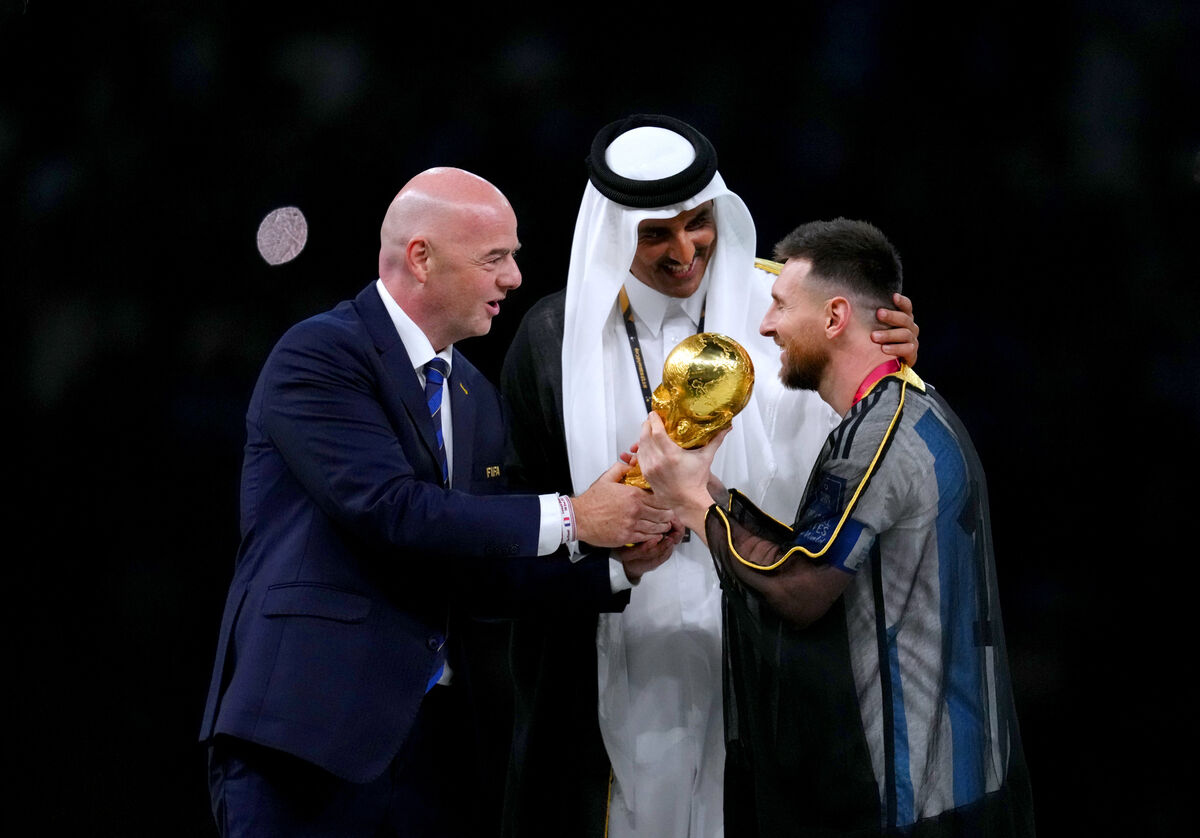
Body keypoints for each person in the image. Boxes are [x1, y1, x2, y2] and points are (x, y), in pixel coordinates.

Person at [198, 167, 675, 838]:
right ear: (421, 258)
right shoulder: (321, 354)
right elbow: (392, 509)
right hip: (305, 736)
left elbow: (478, 566)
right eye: (495, 258)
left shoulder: (473, 393)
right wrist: (573, 516)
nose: (514, 277)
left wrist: (619, 564)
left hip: (436, 755)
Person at [499, 116, 920, 837]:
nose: (684, 250)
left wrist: (885, 356)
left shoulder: (788, 310)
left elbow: (875, 430)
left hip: (767, 641)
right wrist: (597, 534)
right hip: (618, 652)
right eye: (655, 233)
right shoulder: (551, 341)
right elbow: (516, 530)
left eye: (699, 223)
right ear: (611, 233)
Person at [637, 218, 1035, 837]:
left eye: (778, 306)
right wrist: (708, 490)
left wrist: (694, 507)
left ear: (834, 317)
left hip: (914, 791)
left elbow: (801, 588)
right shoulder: (899, 410)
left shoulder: (881, 436)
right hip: (943, 777)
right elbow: (811, 550)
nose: (766, 327)